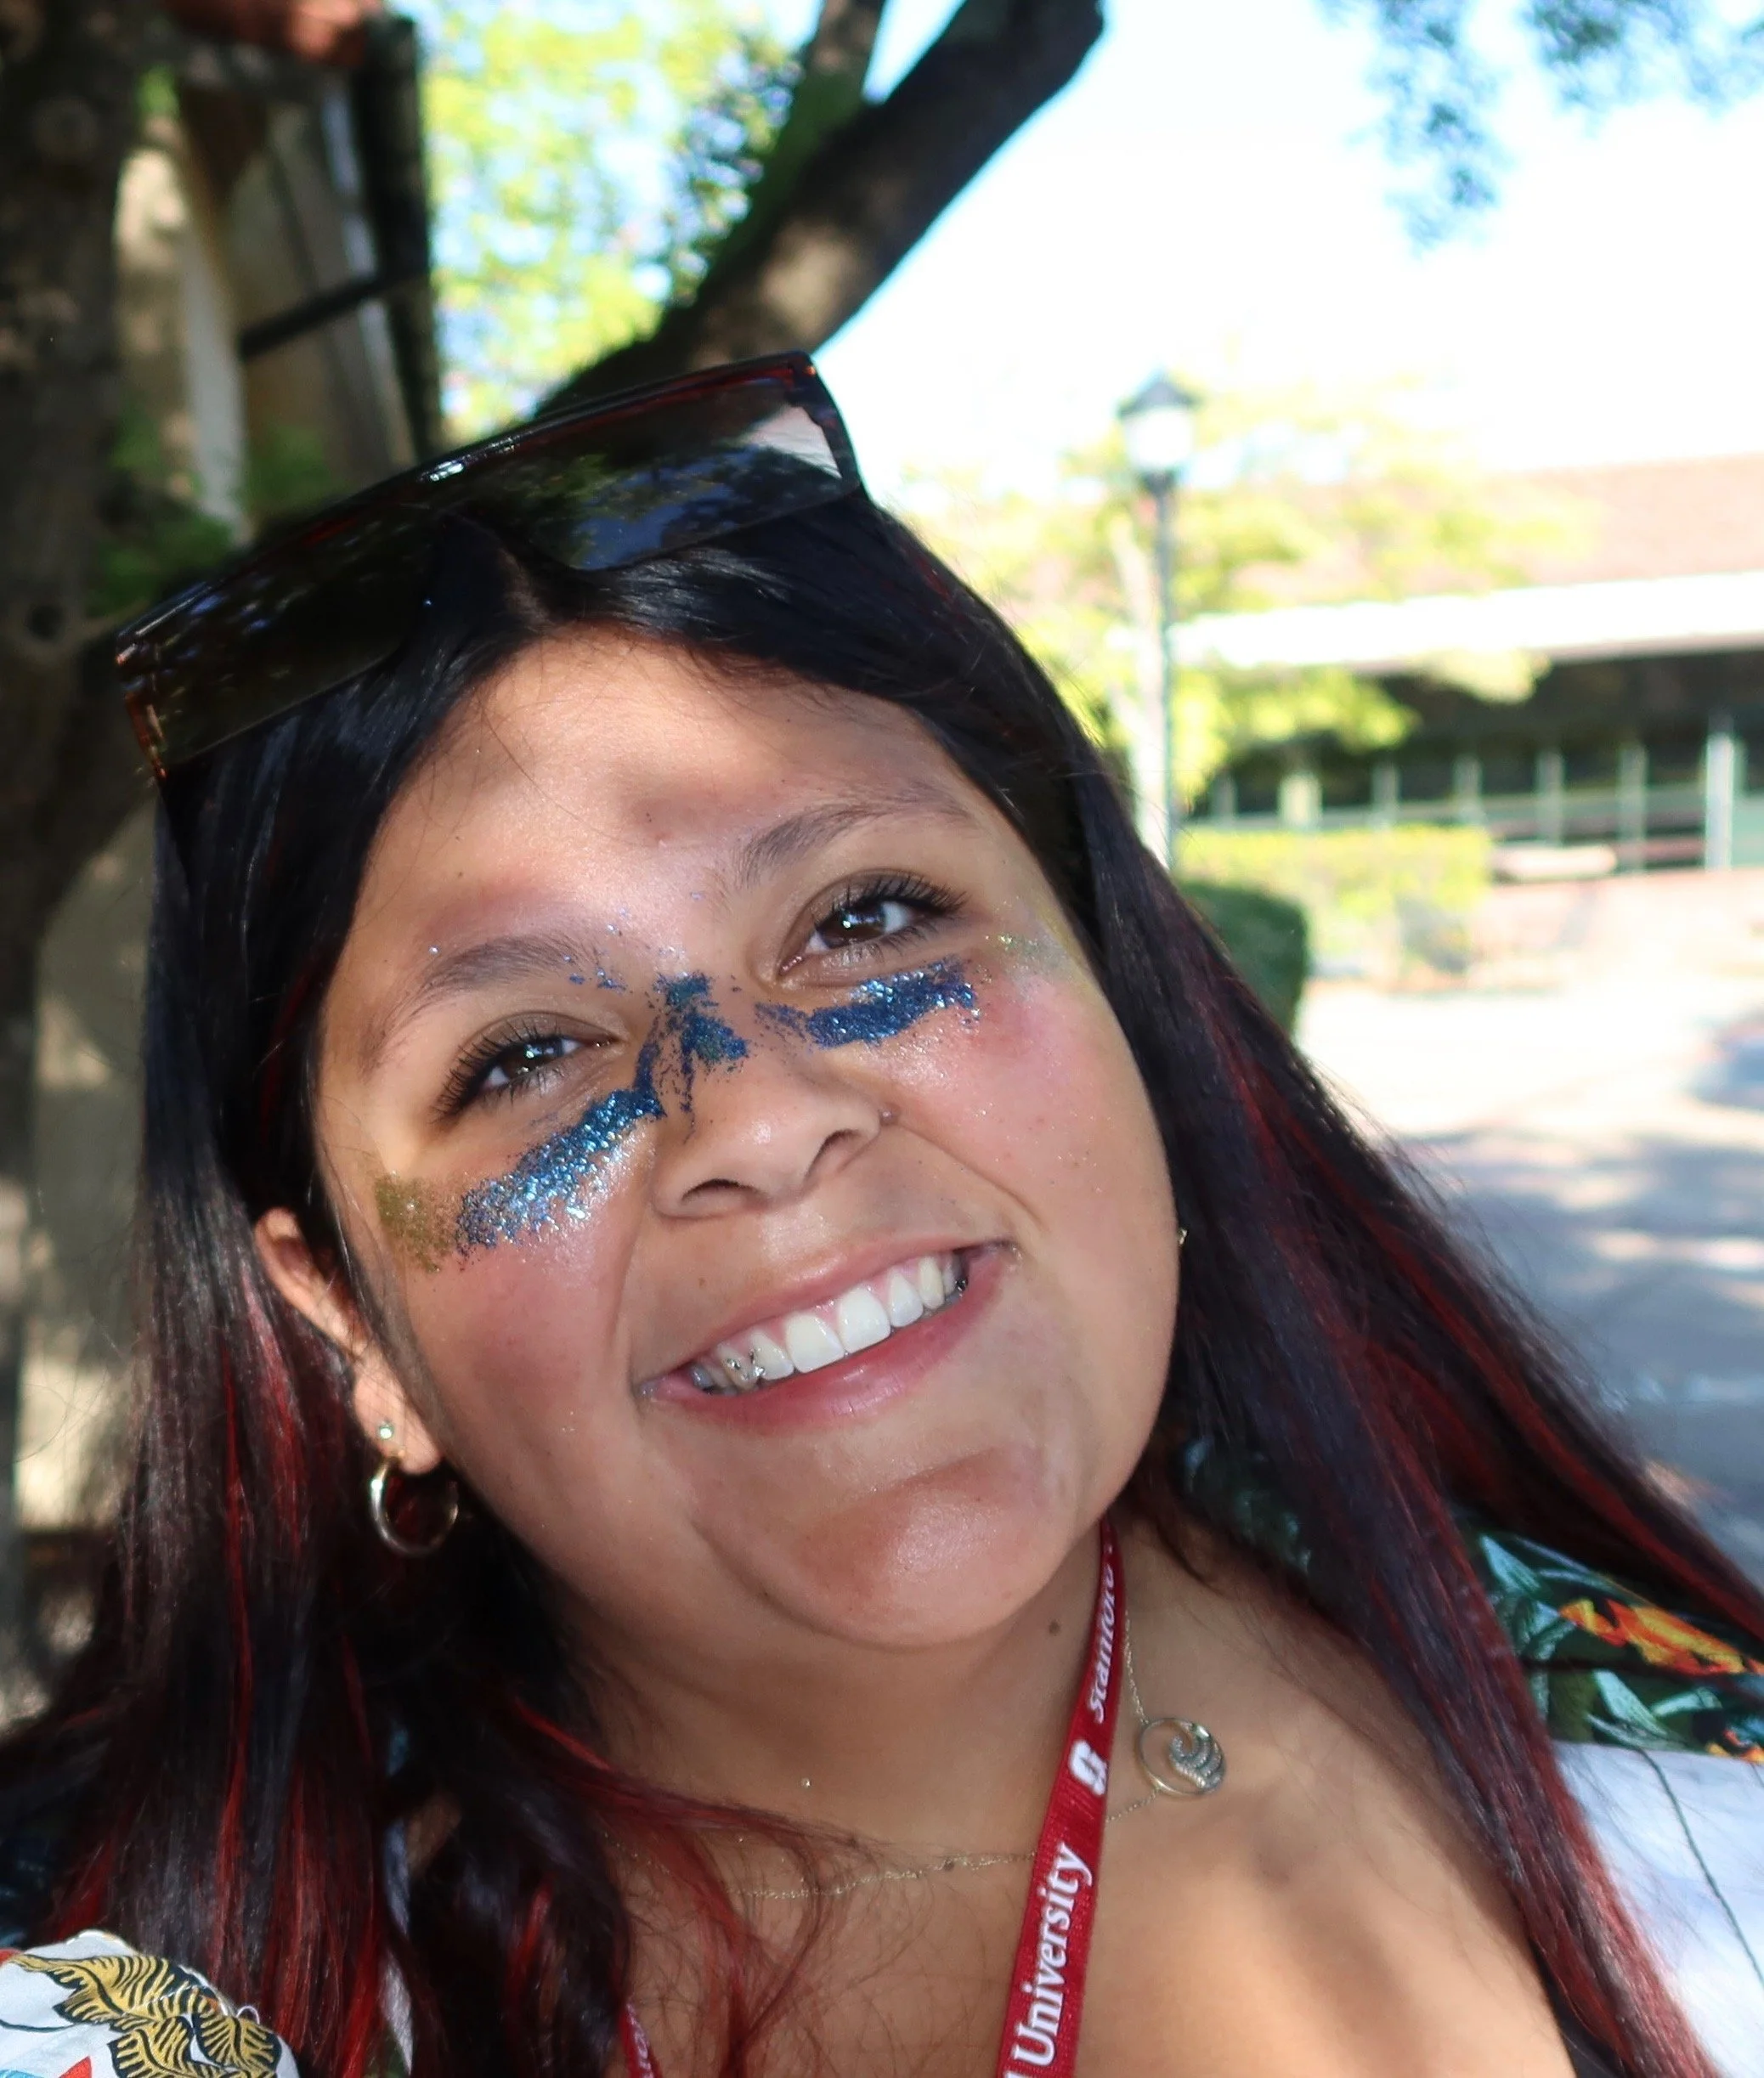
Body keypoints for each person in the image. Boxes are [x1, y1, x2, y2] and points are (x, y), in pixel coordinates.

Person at [0, 353, 1756, 2078]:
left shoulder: (1691, 1799)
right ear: (350, 1319)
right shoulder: (116, 2002)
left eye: (865, 917)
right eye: (524, 1053)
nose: (760, 1117)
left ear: (1120, 995)